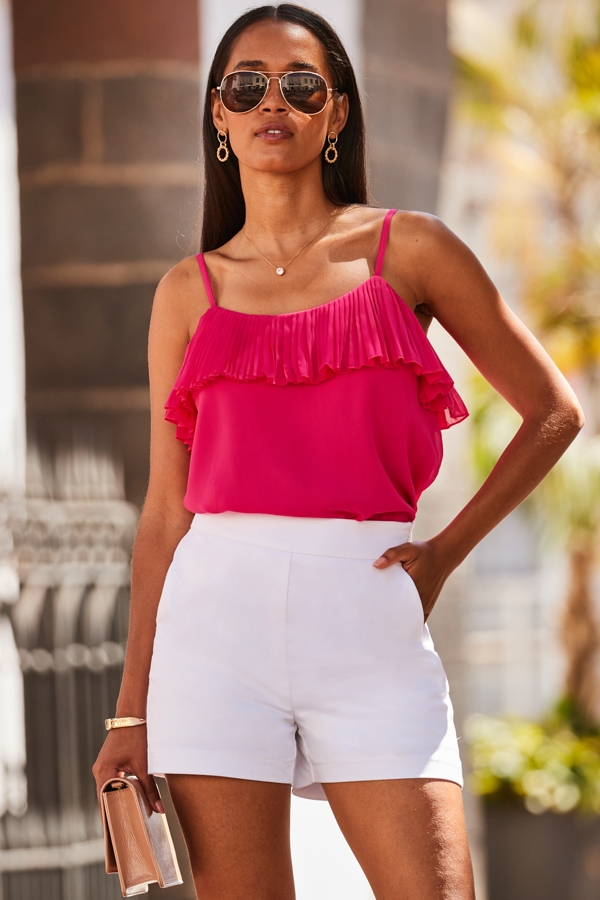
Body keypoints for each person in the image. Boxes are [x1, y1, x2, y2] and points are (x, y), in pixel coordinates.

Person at [93, 5, 584, 898]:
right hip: (214, 633)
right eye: (247, 86)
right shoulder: (189, 293)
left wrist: (444, 554)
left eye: (301, 85)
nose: (271, 103)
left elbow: (553, 412)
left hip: (368, 620)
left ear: (338, 112)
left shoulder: (411, 250)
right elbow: (166, 512)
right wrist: (131, 712)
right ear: (219, 114)